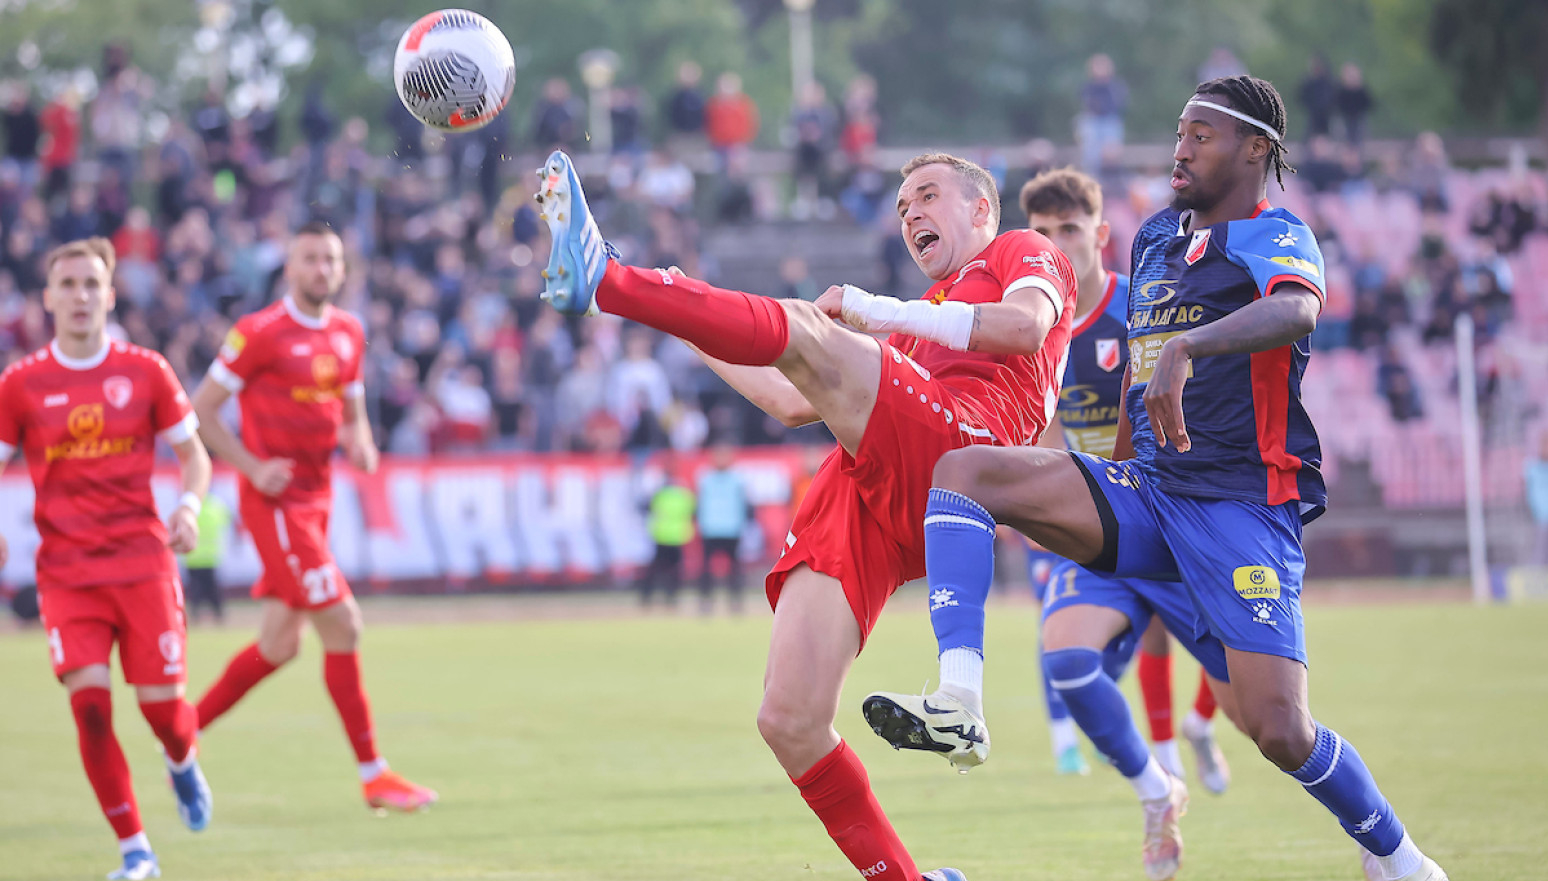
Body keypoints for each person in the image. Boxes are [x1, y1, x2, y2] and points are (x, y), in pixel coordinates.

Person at [871, 76, 1448, 881]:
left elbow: (1296, 312)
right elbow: (1137, 383)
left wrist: (1188, 347)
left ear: (1257, 149)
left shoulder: (1275, 231)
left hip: (1241, 507)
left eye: (1201, 135)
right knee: (965, 473)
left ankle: (1400, 858)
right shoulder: (1153, 240)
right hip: (1147, 489)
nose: (1180, 148)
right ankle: (960, 699)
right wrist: (1079, 471)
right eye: (1179, 132)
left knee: (1279, 728)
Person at [537, 146, 1076, 881]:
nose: (910, 213)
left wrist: (866, 314)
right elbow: (790, 398)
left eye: (926, 196)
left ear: (982, 209)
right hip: (874, 487)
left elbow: (1022, 330)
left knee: (808, 330)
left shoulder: (1024, 249)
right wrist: (689, 319)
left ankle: (611, 277)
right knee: (788, 720)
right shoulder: (922, 323)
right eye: (901, 207)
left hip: (962, 449)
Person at [188, 221, 438, 812]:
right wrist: (250, 466)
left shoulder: (349, 333)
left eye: (331, 260)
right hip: (277, 506)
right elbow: (200, 412)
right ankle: (374, 775)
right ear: (290, 268)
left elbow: (352, 410)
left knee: (278, 644)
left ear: (342, 269)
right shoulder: (259, 334)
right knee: (344, 624)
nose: (322, 269)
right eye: (310, 259)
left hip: (318, 502)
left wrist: (362, 442)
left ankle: (183, 730)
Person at [1000, 168, 1229, 789]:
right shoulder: (1030, 328)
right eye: (1041, 232)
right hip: (1100, 507)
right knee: (1069, 657)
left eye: (1068, 229)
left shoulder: (1141, 308)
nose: (1054, 243)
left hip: (1173, 503)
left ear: (1100, 234)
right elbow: (1041, 427)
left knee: (1260, 699)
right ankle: (1162, 771)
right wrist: (1043, 505)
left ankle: (1203, 728)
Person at [0, 237, 214, 880]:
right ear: (47, 299)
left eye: (92, 284)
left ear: (110, 295)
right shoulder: (20, 383)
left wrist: (188, 510)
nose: (80, 296)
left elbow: (194, 457)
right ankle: (136, 850)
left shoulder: (146, 370)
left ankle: (181, 762)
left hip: (144, 564)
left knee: (164, 716)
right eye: (67, 284)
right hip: (67, 573)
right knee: (90, 709)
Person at [696, 442, 749, 614]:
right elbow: (699, 503)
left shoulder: (737, 479)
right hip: (710, 528)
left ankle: (735, 602)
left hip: (731, 528)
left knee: (734, 569)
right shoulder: (705, 478)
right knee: (706, 569)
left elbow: (744, 504)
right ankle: (706, 602)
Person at [639, 464, 695, 609]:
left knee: (655, 570)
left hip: (661, 536)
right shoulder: (684, 495)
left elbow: (646, 509)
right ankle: (671, 598)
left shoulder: (659, 494)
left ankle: (646, 597)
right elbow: (693, 513)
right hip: (677, 536)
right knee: (674, 571)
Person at [181, 490, 232, 624]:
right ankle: (219, 615)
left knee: (195, 591)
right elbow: (228, 519)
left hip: (192, 557)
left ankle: (195, 617)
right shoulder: (216, 506)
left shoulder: (188, 507)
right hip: (210, 557)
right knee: (213, 589)